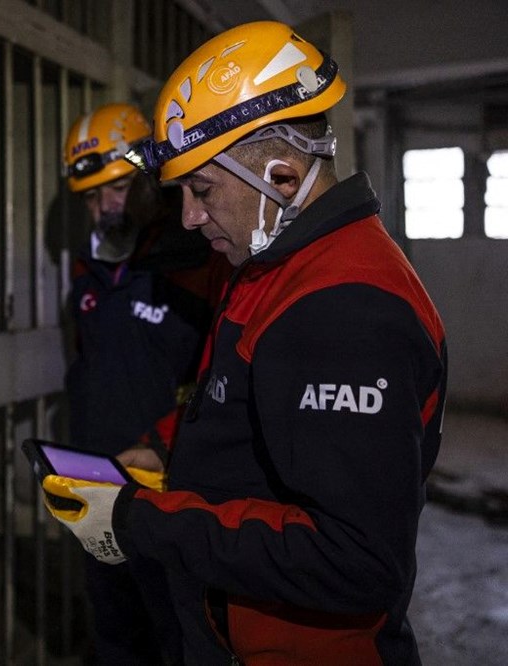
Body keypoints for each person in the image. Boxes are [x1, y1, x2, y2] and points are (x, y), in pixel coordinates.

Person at [43, 21, 448, 665]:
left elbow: (356, 560)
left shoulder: (346, 309)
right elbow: (237, 404)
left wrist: (140, 521)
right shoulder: (271, 267)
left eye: (202, 191)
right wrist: (159, 448)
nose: (189, 218)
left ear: (283, 179)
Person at [60, 102, 230, 664]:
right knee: (113, 626)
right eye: (91, 197)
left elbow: (223, 380)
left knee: (178, 633)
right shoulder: (90, 268)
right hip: (96, 486)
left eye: (117, 188)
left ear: (151, 178)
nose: (105, 207)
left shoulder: (203, 261)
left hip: (171, 491)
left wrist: (160, 443)